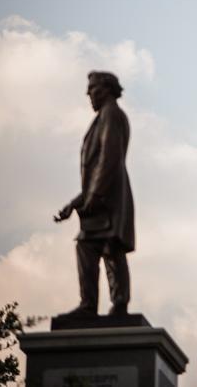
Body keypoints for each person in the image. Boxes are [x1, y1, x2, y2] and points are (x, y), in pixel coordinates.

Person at [54, 71, 135, 317]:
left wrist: (94, 197)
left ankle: (95, 304)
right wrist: (74, 203)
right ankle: (114, 303)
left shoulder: (111, 114)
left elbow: (109, 158)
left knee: (96, 246)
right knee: (107, 248)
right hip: (105, 194)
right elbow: (98, 165)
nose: (89, 93)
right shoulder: (104, 117)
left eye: (93, 88)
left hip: (107, 197)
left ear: (107, 89)